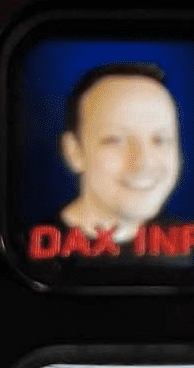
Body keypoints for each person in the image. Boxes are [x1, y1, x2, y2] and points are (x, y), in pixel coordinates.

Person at [55, 62, 182, 244]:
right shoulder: (27, 247)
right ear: (74, 152)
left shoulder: (188, 243)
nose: (144, 163)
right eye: (116, 140)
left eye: (160, 140)